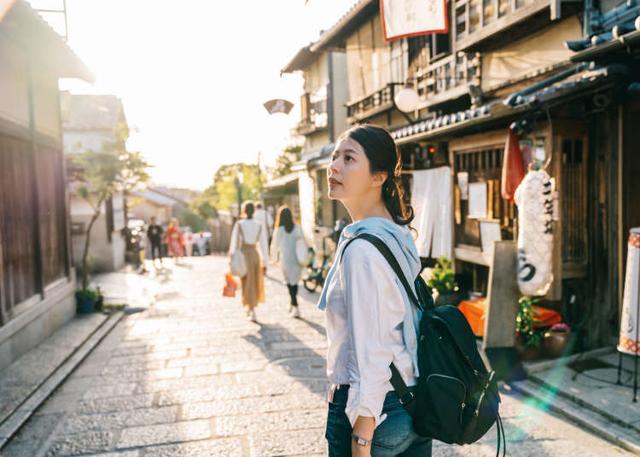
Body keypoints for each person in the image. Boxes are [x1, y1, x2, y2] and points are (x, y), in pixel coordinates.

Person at [318, 125, 432, 457]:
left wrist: (362, 438)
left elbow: (372, 349)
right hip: (413, 404)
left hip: (375, 414)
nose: (334, 166)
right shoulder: (397, 234)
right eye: (335, 156)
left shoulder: (362, 249)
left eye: (349, 158)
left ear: (378, 177)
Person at [229, 201, 269, 322]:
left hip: (243, 255)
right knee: (254, 282)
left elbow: (234, 242)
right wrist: (265, 261)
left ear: (244, 211)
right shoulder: (258, 224)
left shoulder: (239, 224)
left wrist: (231, 257)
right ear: (254, 211)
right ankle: (251, 307)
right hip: (255, 255)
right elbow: (263, 243)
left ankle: (250, 308)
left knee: (246, 282)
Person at [270, 205, 304, 318]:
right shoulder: (298, 227)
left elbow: (274, 246)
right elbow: (303, 241)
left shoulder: (279, 230)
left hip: (285, 260)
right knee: (295, 283)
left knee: (289, 283)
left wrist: (274, 259)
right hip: (297, 259)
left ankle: (295, 305)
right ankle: (293, 304)